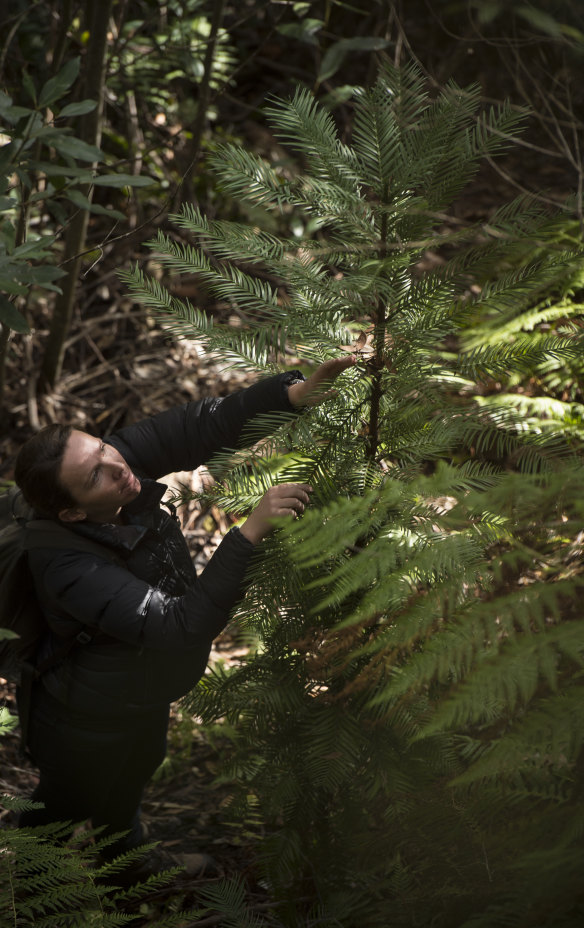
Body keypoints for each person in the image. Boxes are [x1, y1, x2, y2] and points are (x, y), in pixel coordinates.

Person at [12, 357, 354, 876]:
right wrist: (247, 535)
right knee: (62, 810)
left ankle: (126, 865)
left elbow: (200, 425)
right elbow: (176, 625)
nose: (117, 463)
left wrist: (289, 396)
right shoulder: (65, 564)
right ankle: (32, 898)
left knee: (131, 777)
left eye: (102, 446)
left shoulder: (117, 467)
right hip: (82, 717)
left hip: (137, 694)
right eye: (96, 474)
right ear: (73, 513)